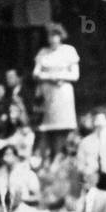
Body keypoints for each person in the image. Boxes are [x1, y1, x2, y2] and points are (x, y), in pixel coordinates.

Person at [34, 23, 80, 157]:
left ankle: (63, 154)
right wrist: (50, 77)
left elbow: (75, 75)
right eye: (50, 35)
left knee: (63, 124)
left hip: (63, 91)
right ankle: (49, 154)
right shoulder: (43, 52)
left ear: (61, 36)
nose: (53, 38)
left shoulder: (69, 50)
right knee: (48, 125)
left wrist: (59, 77)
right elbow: (36, 73)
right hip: (48, 91)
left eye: (56, 35)